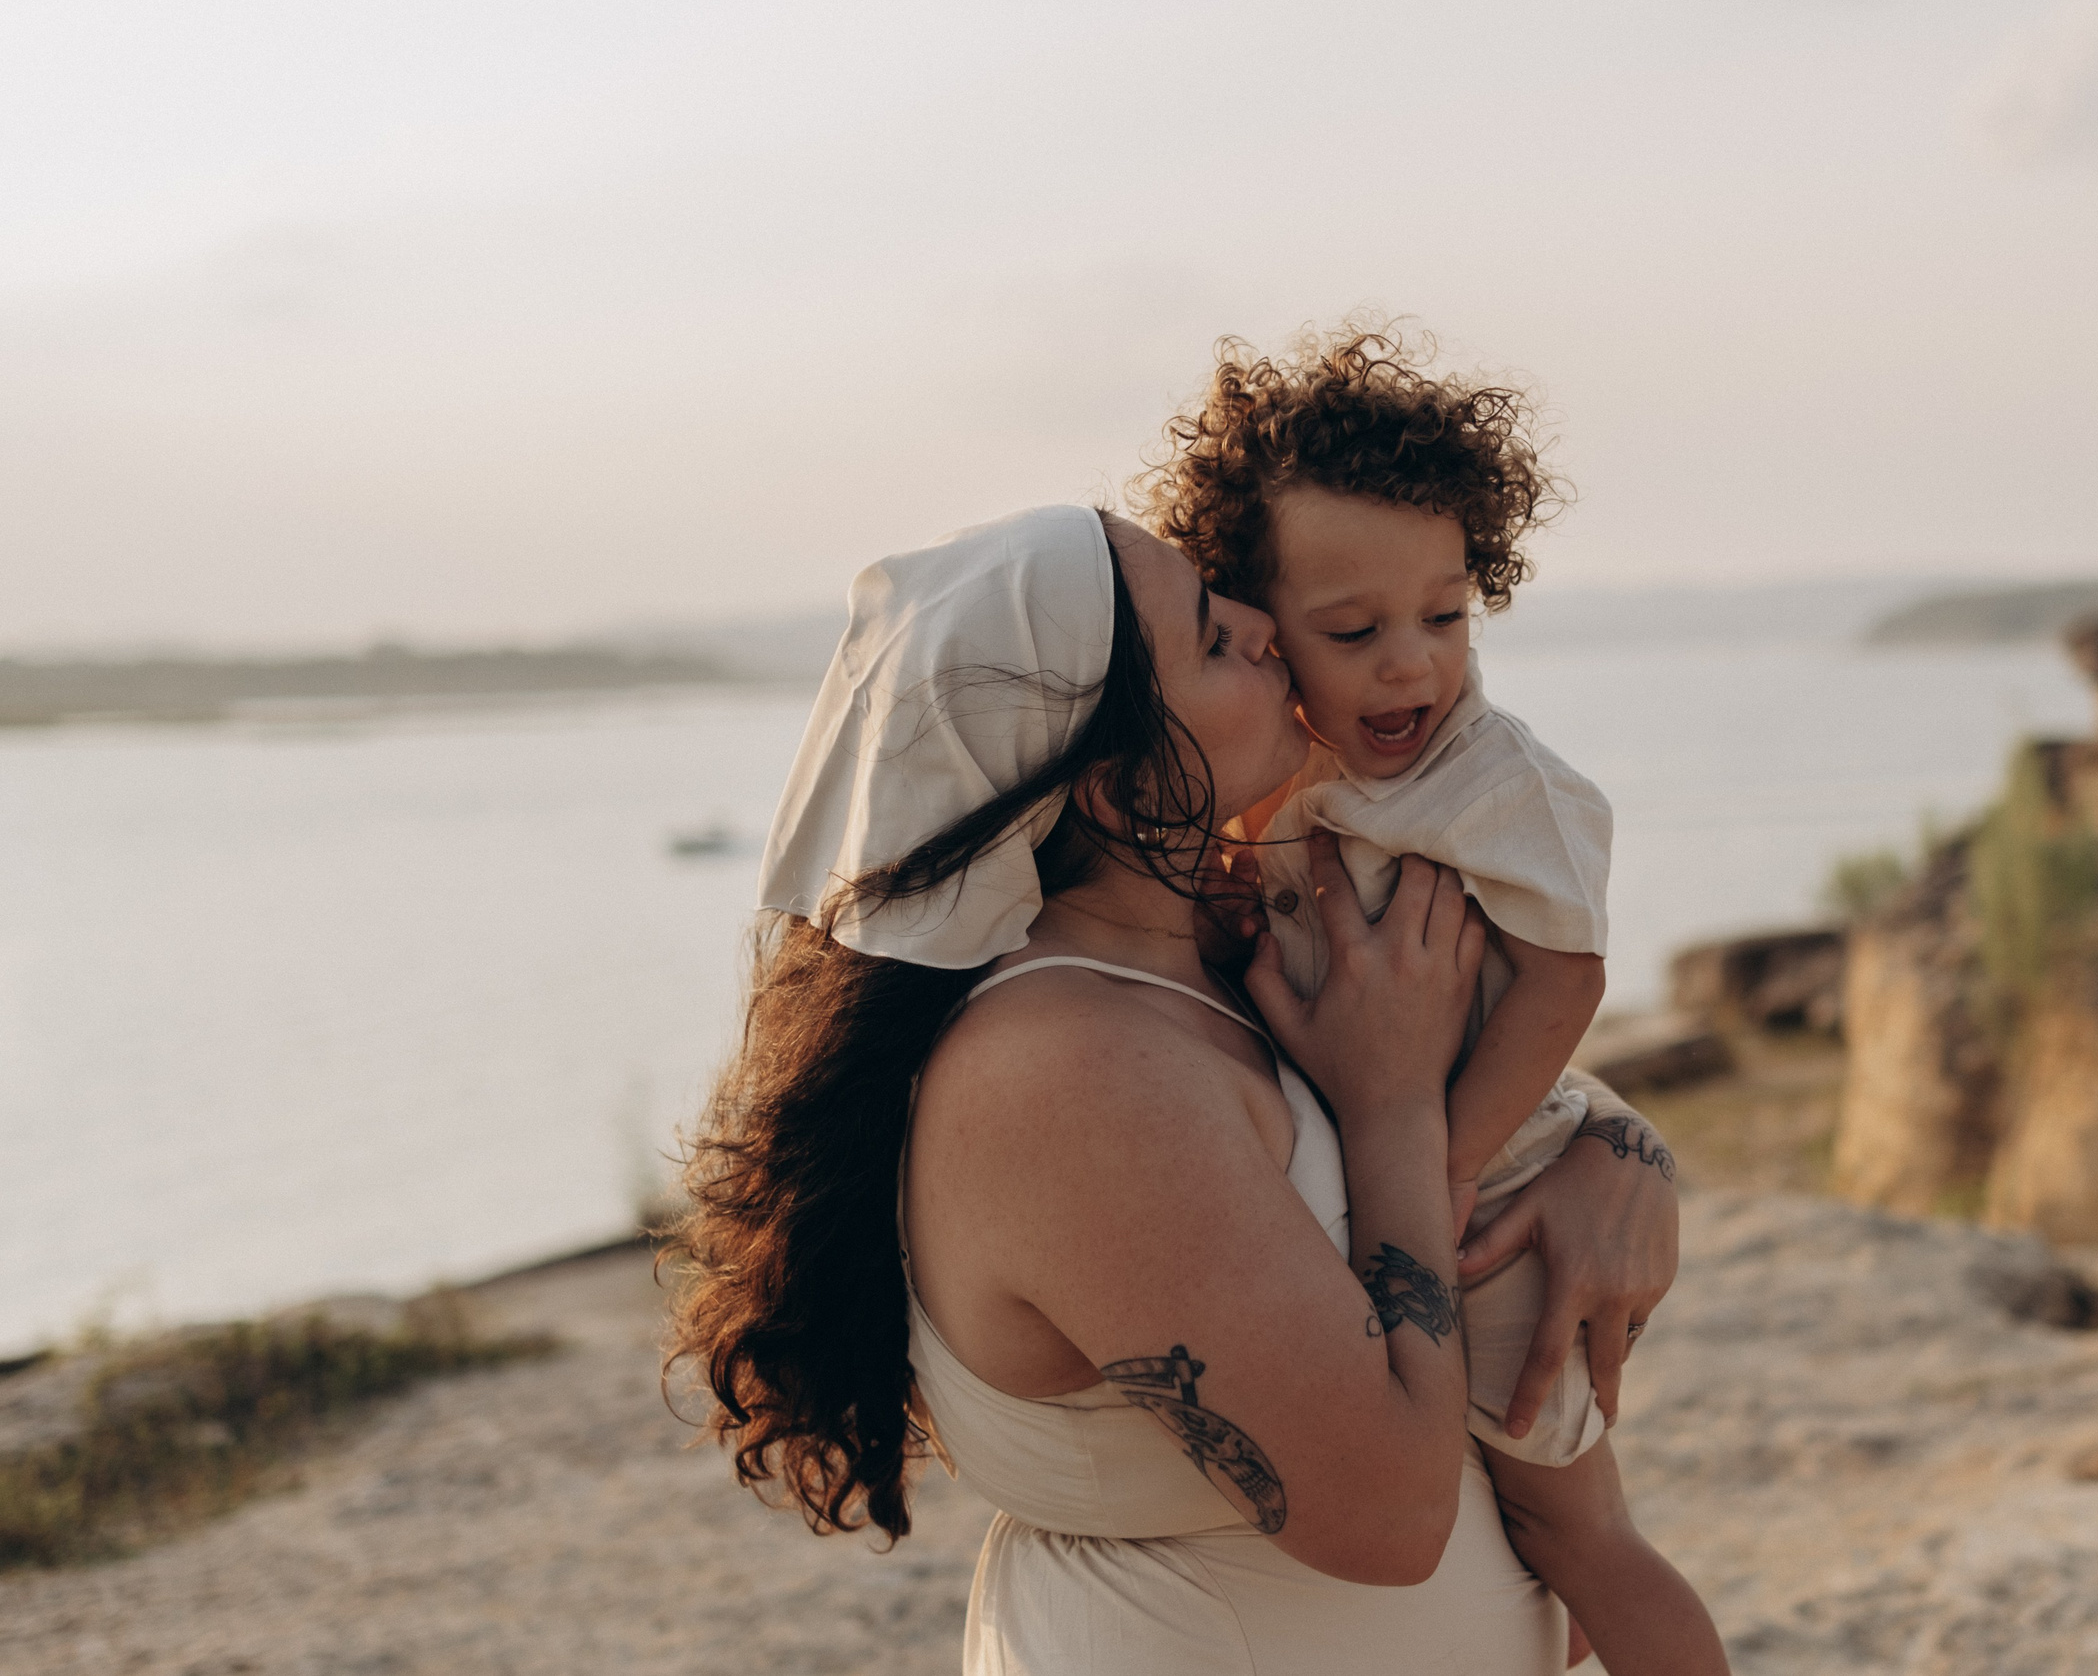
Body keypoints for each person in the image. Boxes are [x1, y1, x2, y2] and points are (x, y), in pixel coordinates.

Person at [667, 503, 1689, 1673]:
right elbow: (1391, 1512)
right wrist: (1396, 1112)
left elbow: (1445, 1084)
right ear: (1117, 790)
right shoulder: (1066, 1072)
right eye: (1210, 635)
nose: (1261, 625)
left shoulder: (1206, 958)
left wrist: (1618, 1153)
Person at [1138, 324, 1725, 1675]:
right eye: (1355, 631)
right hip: (1378, 1182)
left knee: (1577, 1528)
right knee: (1506, 1541)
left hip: (1491, 1192)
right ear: (1259, 627)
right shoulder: (1286, 777)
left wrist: (1448, 1166)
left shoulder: (1490, 783)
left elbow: (1568, 974)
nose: (1412, 664)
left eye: (1446, 617)